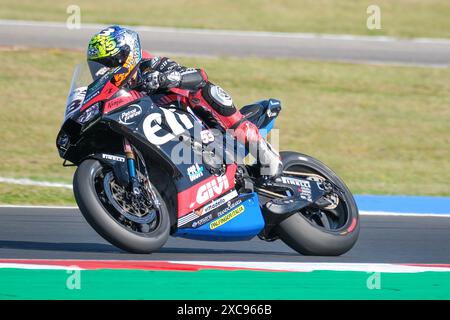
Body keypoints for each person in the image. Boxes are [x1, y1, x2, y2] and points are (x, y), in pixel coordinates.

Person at [87, 25, 282, 177]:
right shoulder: (115, 93)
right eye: (97, 67)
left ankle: (264, 152)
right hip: (166, 141)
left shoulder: (152, 66)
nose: (101, 72)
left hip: (203, 128)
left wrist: (166, 78)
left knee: (205, 90)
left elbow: (198, 76)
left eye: (107, 65)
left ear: (125, 57)